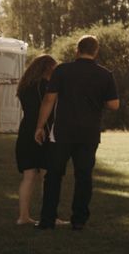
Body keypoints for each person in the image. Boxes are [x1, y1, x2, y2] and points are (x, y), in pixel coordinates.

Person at [32, 35, 119, 230]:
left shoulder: (62, 70)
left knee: (53, 175)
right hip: (89, 132)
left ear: (77, 50)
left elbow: (49, 99)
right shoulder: (105, 74)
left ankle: (47, 219)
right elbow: (114, 104)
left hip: (62, 131)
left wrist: (39, 126)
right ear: (96, 51)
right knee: (84, 176)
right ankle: (79, 220)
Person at [14, 54, 59, 225]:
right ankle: (49, 216)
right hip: (43, 130)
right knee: (48, 176)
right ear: (48, 68)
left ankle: (23, 216)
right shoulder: (47, 86)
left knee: (28, 176)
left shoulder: (24, 86)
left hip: (26, 131)